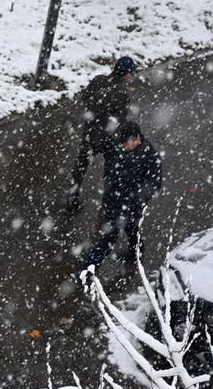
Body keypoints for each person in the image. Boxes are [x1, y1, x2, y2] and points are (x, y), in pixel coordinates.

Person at [82, 121, 162, 270]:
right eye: (122, 142)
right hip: (112, 199)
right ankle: (136, 251)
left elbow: (153, 185)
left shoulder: (150, 157)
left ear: (138, 138)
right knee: (131, 229)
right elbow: (102, 146)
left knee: (108, 238)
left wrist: (136, 199)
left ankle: (86, 271)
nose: (123, 145)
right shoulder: (117, 144)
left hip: (130, 206)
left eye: (127, 142)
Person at [66, 56, 138, 215]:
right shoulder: (122, 93)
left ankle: (72, 201)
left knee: (80, 168)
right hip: (107, 138)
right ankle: (108, 206)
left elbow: (85, 98)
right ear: (127, 74)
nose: (131, 76)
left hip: (90, 133)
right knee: (111, 171)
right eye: (131, 73)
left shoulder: (98, 80)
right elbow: (120, 120)